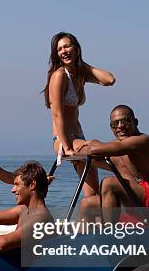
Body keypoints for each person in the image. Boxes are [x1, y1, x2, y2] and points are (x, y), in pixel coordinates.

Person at [75, 105, 149, 227]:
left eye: (126, 121)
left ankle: (109, 238)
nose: (120, 126)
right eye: (115, 124)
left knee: (109, 183)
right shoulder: (121, 147)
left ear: (135, 122)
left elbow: (94, 150)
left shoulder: (142, 141)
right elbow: (83, 152)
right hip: (147, 205)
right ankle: (81, 242)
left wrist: (91, 143)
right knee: (87, 204)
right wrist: (77, 148)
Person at [43, 32, 115, 199]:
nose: (64, 51)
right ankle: (136, 176)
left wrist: (82, 65)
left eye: (67, 46)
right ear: (56, 54)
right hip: (63, 140)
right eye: (59, 49)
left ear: (76, 48)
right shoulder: (59, 75)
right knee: (109, 156)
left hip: (79, 137)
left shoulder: (79, 74)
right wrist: (67, 147)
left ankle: (92, 224)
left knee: (93, 195)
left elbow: (109, 80)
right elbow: (56, 114)